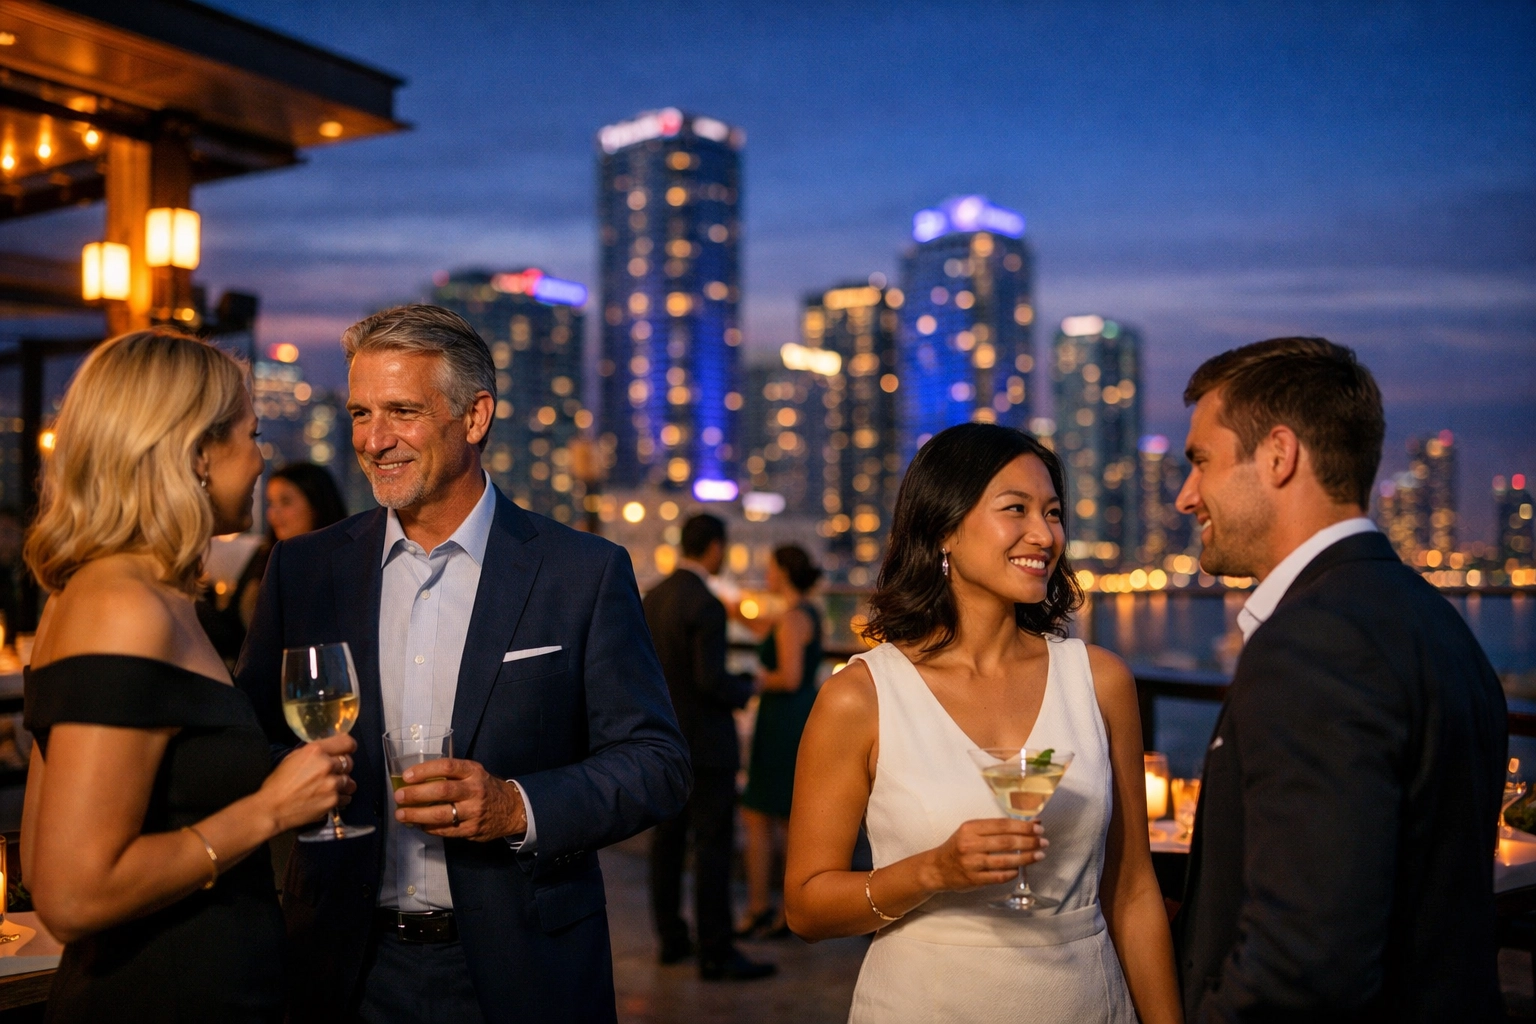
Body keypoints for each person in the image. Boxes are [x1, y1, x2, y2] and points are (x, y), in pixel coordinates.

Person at [235, 305, 691, 1023]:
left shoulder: (582, 571)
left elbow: (657, 764)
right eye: (359, 413)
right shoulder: (305, 569)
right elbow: (250, 739)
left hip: (522, 972)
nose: (374, 440)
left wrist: (515, 806)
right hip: (343, 966)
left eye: (402, 412)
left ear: (475, 416)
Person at [785, 423, 1181, 1024]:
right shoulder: (861, 696)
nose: (1043, 534)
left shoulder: (1100, 681)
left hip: (1087, 1004)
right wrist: (932, 871)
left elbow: (1132, 893)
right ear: (944, 527)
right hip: (924, 1004)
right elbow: (806, 908)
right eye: (1015, 509)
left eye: (1052, 513)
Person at [19, 329, 357, 1022]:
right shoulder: (122, 606)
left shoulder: (126, 593)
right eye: (253, 436)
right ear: (200, 453)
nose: (263, 460)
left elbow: (42, 843)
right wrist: (271, 809)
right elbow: (70, 892)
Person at [1172, 337, 1506, 1021]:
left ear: (1278, 454)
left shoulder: (1312, 643)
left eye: (1201, 462)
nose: (1185, 496)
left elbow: (1305, 967)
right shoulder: (1431, 621)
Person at [643, 514, 775, 981]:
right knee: (713, 846)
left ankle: (672, 940)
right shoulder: (707, 604)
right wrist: (748, 687)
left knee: (667, 844)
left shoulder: (653, 598)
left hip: (662, 742)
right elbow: (711, 680)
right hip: (706, 745)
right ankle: (716, 950)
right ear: (715, 548)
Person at [735, 544, 822, 939]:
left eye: (770, 568)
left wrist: (747, 682)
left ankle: (764, 907)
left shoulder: (791, 618)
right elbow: (761, 627)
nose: (766, 574)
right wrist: (732, 607)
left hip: (782, 720)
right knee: (783, 817)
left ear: (783, 572)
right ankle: (785, 909)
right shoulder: (805, 613)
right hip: (794, 719)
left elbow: (788, 676)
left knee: (762, 815)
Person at [200, 462, 349, 662]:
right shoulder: (266, 556)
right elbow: (233, 631)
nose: (274, 513)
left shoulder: (343, 563)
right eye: (271, 503)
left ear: (316, 504)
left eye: (285, 502)